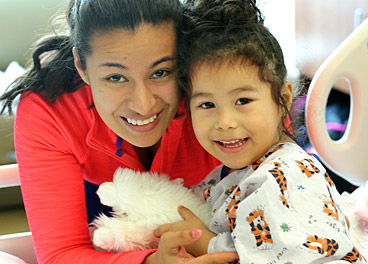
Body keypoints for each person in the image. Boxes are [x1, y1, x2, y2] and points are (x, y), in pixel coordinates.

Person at [0, 0, 240, 263]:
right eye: (115, 77)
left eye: (161, 72)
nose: (143, 105)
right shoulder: (49, 110)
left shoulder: (233, 98)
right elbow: (61, 254)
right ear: (81, 66)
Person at [155, 0, 367, 262]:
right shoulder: (228, 173)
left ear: (284, 98)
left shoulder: (286, 174)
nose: (225, 122)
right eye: (207, 104)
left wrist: (206, 245)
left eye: (243, 101)